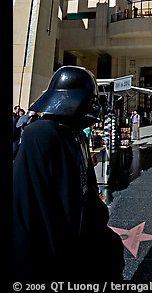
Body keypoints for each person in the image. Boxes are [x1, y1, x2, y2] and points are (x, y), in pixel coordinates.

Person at [12, 65, 125, 282]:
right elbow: (31, 202)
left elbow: (86, 187)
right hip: (53, 246)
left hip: (82, 233)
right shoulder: (42, 134)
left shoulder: (75, 135)